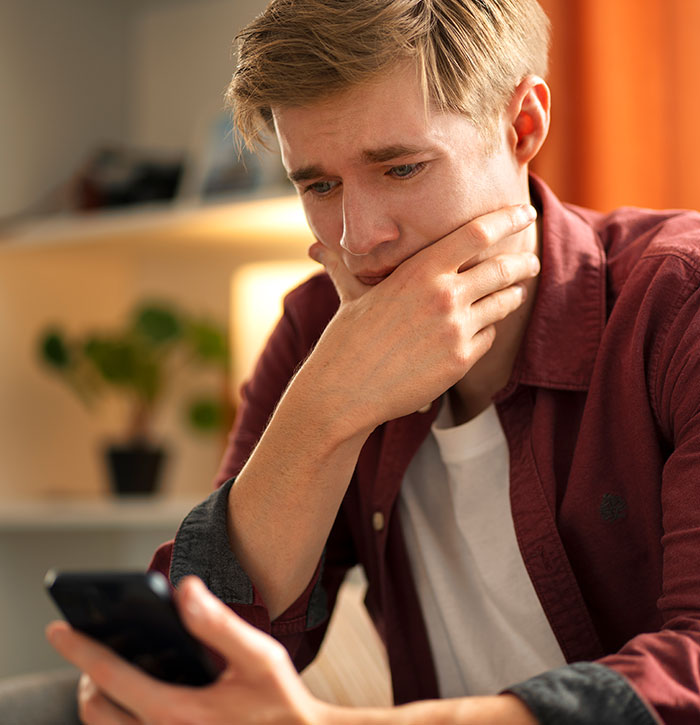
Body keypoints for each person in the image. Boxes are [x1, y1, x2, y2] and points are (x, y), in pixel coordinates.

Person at [47, 0, 700, 722]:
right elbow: (209, 657)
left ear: (523, 126)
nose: (358, 240)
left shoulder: (678, 303)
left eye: (401, 167)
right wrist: (327, 406)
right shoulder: (316, 331)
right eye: (319, 186)